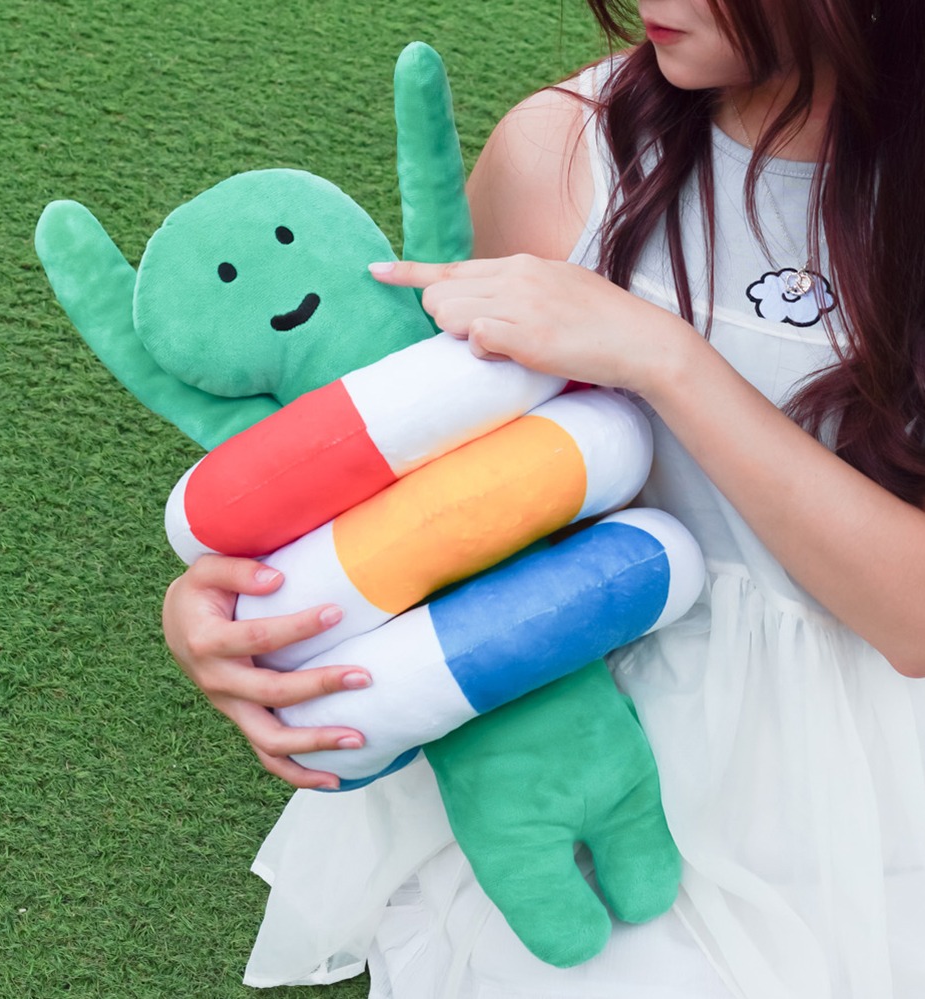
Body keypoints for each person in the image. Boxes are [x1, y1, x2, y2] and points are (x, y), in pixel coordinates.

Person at [162, 0, 925, 995]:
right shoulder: (562, 152)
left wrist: (666, 361)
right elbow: (439, 475)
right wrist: (235, 605)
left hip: (861, 767)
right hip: (563, 698)